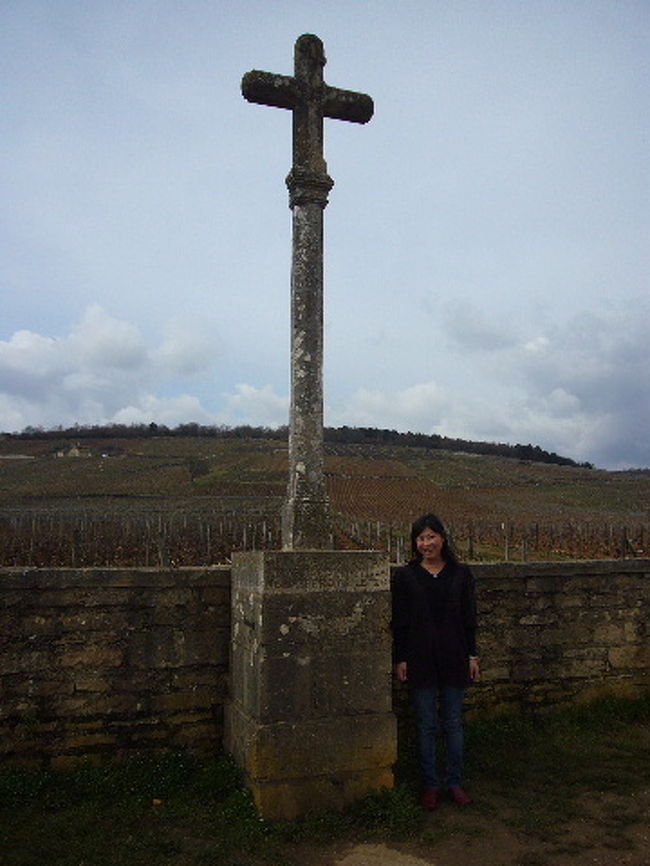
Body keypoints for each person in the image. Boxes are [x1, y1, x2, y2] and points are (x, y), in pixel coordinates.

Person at [391, 512, 480, 810]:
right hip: (420, 658)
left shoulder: (461, 574)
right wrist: (401, 658)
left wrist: (472, 654)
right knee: (427, 724)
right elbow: (400, 622)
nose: (426, 543)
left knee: (454, 724)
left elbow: (470, 619)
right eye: (420, 538)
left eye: (431, 537)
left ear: (443, 538)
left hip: (455, 656)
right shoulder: (405, 576)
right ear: (414, 543)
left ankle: (454, 782)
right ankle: (430, 784)